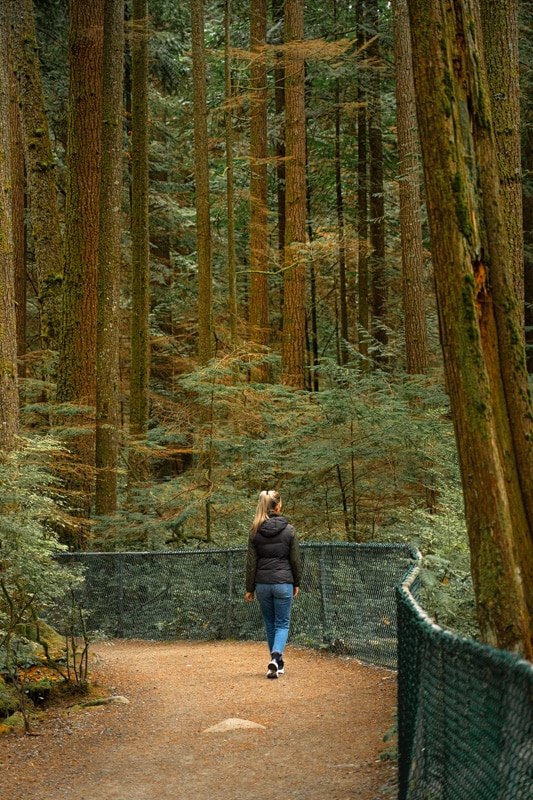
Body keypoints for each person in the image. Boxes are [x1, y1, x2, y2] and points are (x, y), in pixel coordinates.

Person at [245, 489, 302, 679]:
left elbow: (251, 563)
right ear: (277, 507)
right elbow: (295, 560)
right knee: (282, 623)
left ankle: (277, 663)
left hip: (262, 584)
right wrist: (296, 582)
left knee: (270, 624)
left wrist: (249, 588)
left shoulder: (254, 532)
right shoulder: (289, 530)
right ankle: (276, 658)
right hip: (283, 582)